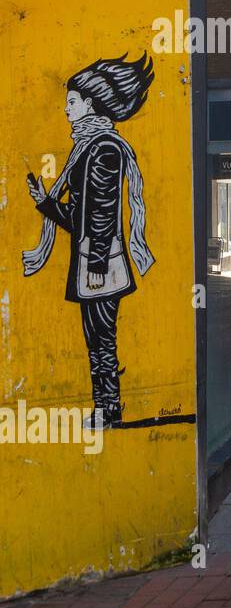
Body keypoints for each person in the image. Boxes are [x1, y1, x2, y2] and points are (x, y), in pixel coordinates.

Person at [23, 53, 156, 429]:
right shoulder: (88, 146)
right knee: (97, 340)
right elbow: (80, 218)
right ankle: (105, 407)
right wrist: (46, 203)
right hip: (91, 261)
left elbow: (100, 213)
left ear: (89, 104)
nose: (65, 109)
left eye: (71, 102)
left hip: (100, 265)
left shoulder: (104, 149)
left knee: (101, 340)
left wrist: (96, 264)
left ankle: (108, 409)